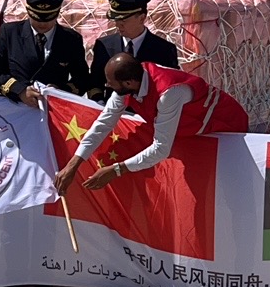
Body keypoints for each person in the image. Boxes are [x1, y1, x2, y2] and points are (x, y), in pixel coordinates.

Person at [55, 53, 249, 190]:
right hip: (191, 131)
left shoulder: (168, 93)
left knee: (224, 190)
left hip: (225, 127)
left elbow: (161, 149)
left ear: (129, 83)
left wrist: (116, 170)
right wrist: (73, 165)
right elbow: (103, 124)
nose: (107, 86)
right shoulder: (129, 84)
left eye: (111, 82)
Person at [0, 0, 91, 106]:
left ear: (58, 13)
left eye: (48, 19)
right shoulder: (10, 33)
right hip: (14, 106)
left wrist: (61, 91)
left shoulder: (71, 39)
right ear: (28, 11)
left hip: (54, 109)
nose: (42, 24)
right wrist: (19, 90)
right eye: (37, 18)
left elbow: (82, 78)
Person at [88, 0, 180, 101]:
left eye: (123, 21)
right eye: (115, 20)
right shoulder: (104, 45)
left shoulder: (164, 50)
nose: (118, 25)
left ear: (141, 18)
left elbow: (169, 87)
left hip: (146, 115)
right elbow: (95, 82)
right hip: (111, 112)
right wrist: (99, 102)